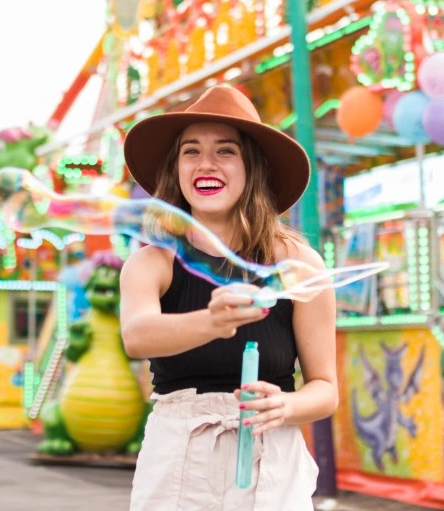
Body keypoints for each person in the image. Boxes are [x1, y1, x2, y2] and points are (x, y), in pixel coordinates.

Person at [120, 85, 337, 510]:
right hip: (178, 462)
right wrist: (212, 321)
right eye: (191, 151)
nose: (206, 163)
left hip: (271, 461)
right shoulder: (152, 263)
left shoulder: (298, 263)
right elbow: (137, 336)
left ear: (250, 166)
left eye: (225, 151)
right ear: (176, 168)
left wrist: (285, 405)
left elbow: (325, 389)